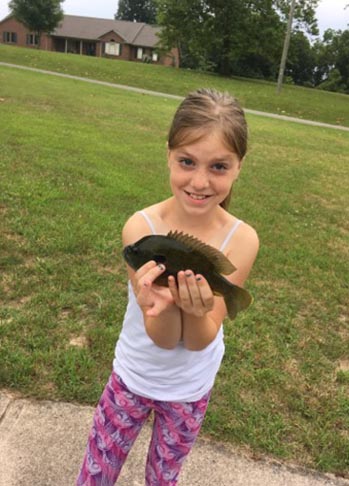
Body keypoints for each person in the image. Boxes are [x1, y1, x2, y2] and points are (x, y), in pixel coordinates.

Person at [76, 88, 260, 485]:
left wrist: (195, 311)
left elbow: (197, 341)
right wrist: (156, 306)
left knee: (163, 478)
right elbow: (161, 339)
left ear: (239, 167)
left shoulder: (242, 242)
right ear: (168, 155)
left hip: (190, 389)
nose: (199, 181)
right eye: (187, 162)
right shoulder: (141, 229)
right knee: (96, 472)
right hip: (133, 376)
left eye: (218, 167)